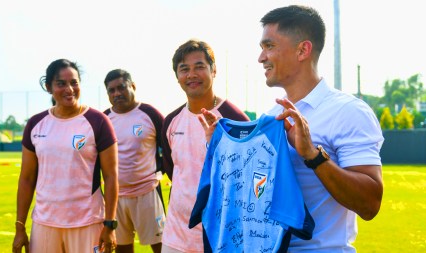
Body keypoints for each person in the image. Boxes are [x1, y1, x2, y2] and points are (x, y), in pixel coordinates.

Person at [200, 5, 384, 253]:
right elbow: (256, 194)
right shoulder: (270, 117)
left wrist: (312, 155)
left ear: (302, 50)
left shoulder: (349, 112)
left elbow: (370, 204)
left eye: (269, 46)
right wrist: (223, 152)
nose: (261, 57)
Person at [12, 59, 119, 253]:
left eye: (74, 82)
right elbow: (26, 178)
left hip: (87, 222)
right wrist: (20, 227)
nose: (69, 89)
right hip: (45, 223)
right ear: (49, 87)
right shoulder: (36, 124)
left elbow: (111, 176)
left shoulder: (98, 121)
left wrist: (110, 225)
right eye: (61, 84)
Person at [161, 39, 250, 253]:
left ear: (214, 70)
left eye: (199, 66)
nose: (191, 74)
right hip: (176, 237)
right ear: (177, 76)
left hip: (220, 237)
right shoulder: (171, 121)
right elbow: (175, 172)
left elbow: (246, 179)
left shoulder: (235, 118)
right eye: (184, 69)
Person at [103, 69, 166, 253]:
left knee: (161, 246)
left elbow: (169, 150)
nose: (116, 94)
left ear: (133, 86)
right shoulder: (104, 119)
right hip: (116, 196)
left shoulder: (150, 114)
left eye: (121, 88)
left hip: (147, 192)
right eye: (111, 90)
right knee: (122, 248)